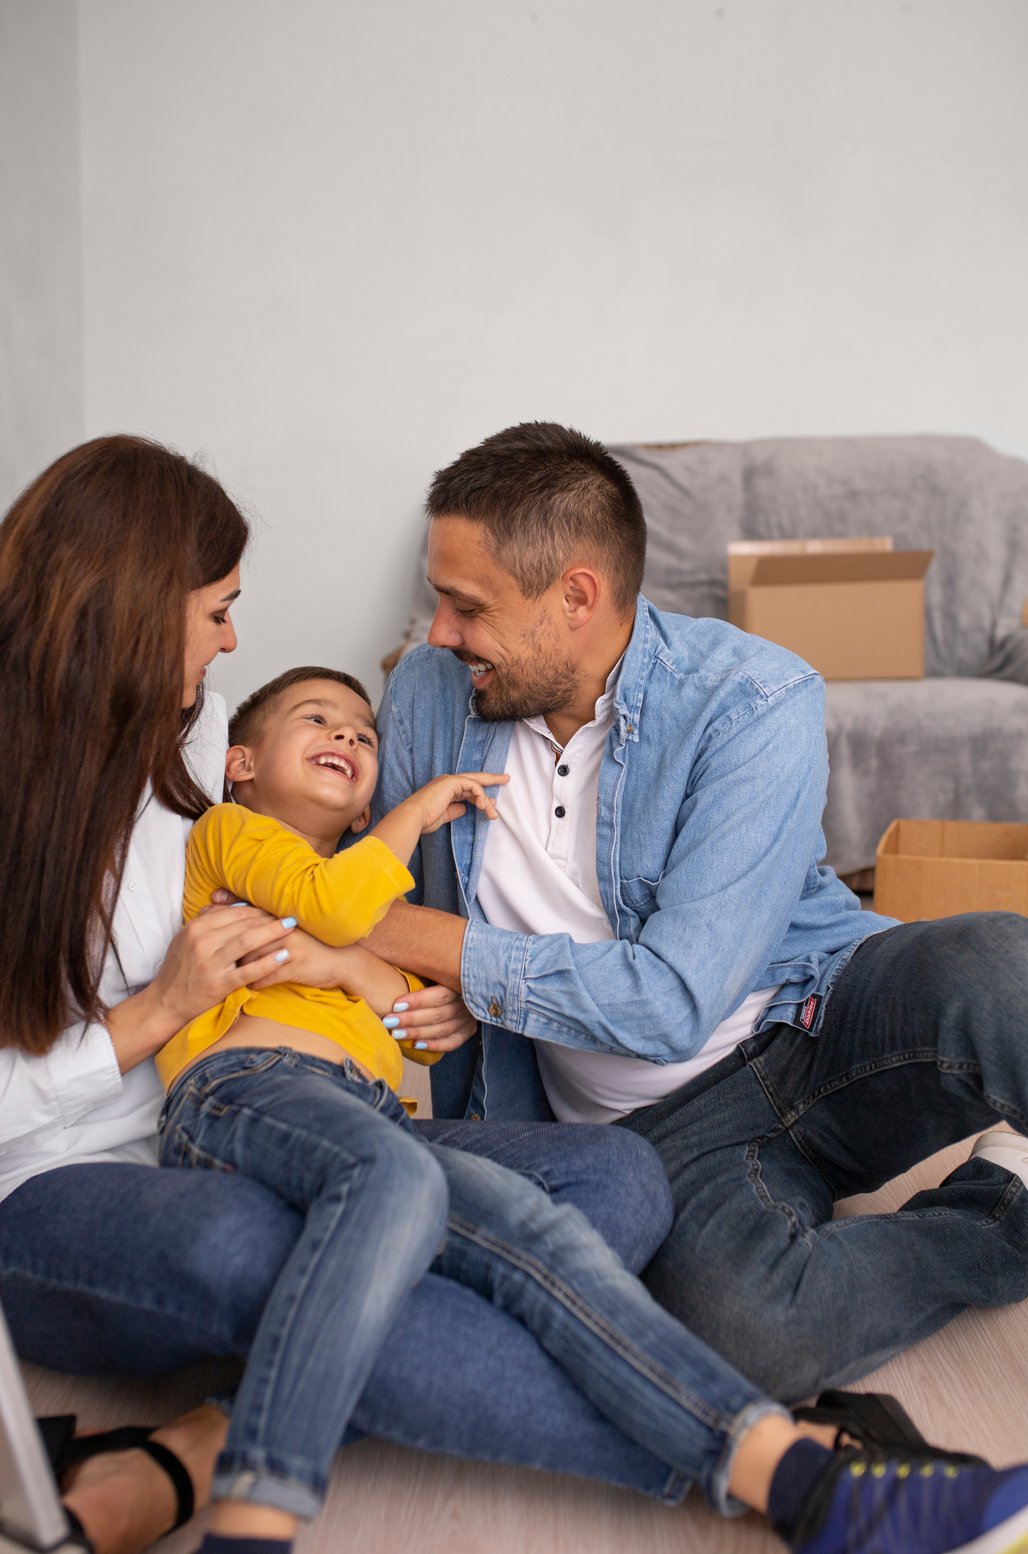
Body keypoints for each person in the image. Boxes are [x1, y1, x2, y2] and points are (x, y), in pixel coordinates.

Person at [0, 435, 691, 1554]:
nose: (231, 638)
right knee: (260, 1247)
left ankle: (211, 1445)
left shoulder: (200, 740)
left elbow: (316, 905)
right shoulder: (3, 799)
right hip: (49, 1188)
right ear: (122, 605)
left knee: (612, 1174)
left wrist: (384, 975)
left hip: (264, 1125)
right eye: (214, 609)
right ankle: (781, 1469)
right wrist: (153, 1014)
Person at [154, 662, 1028, 1554]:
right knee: (421, 1192)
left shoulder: (367, 882)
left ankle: (813, 1477)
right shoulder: (240, 837)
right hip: (243, 1088)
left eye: (363, 734)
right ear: (239, 765)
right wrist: (410, 822)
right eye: (317, 721)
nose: (348, 737)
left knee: (523, 1224)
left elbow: (403, 1014)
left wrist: (377, 975)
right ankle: (805, 1478)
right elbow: (337, 915)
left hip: (360, 1103)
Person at [365, 420, 1028, 1410]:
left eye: (466, 607)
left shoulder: (750, 700)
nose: (436, 634)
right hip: (653, 1136)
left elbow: (671, 1001)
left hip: (818, 1027)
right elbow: (378, 894)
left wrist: (430, 945)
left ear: (577, 598)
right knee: (752, 1335)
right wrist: (433, 977)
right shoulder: (428, 694)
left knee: (1003, 972)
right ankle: (1004, 1205)